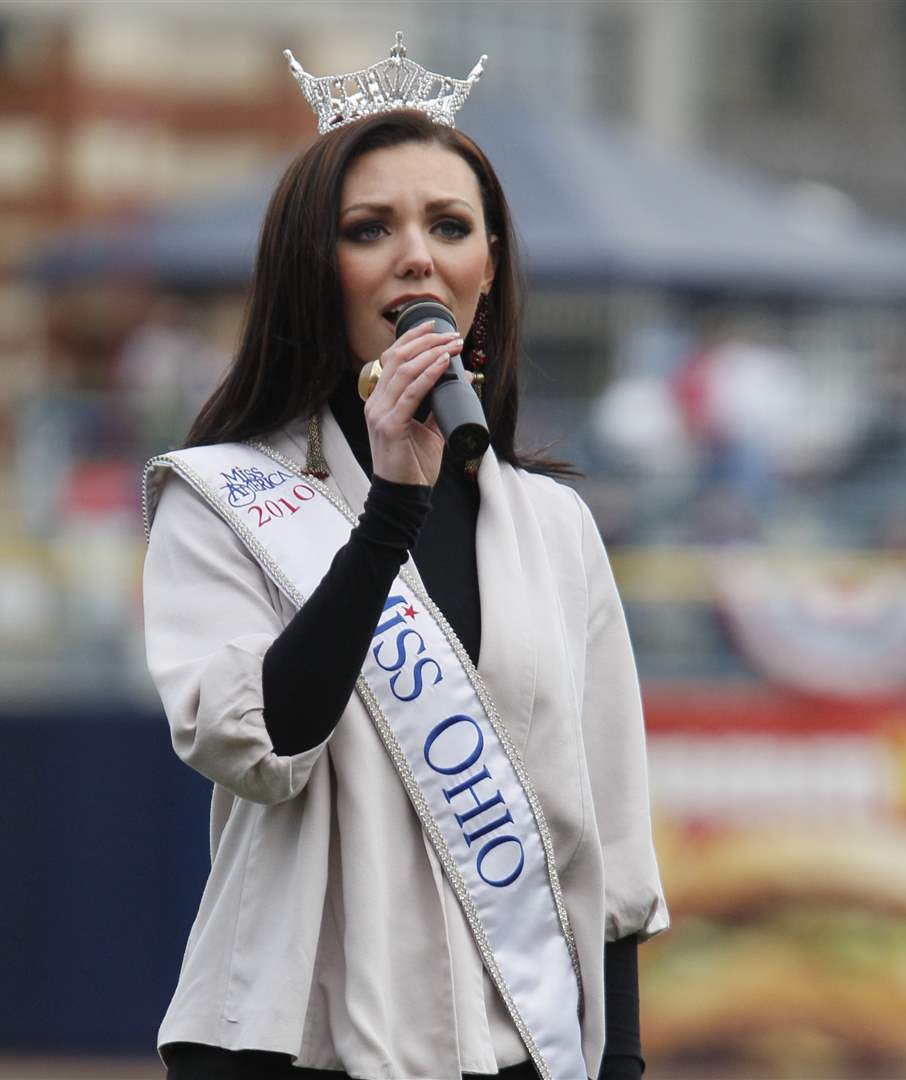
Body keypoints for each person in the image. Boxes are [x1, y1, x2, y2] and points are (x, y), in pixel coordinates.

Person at [142, 35, 668, 1080]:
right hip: (290, 1036)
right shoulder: (225, 499)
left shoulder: (555, 528)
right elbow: (257, 742)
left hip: (514, 1041)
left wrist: (624, 1059)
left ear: (488, 271)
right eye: (369, 228)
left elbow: (603, 825)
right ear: (311, 267)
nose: (416, 257)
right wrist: (389, 507)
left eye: (450, 226)